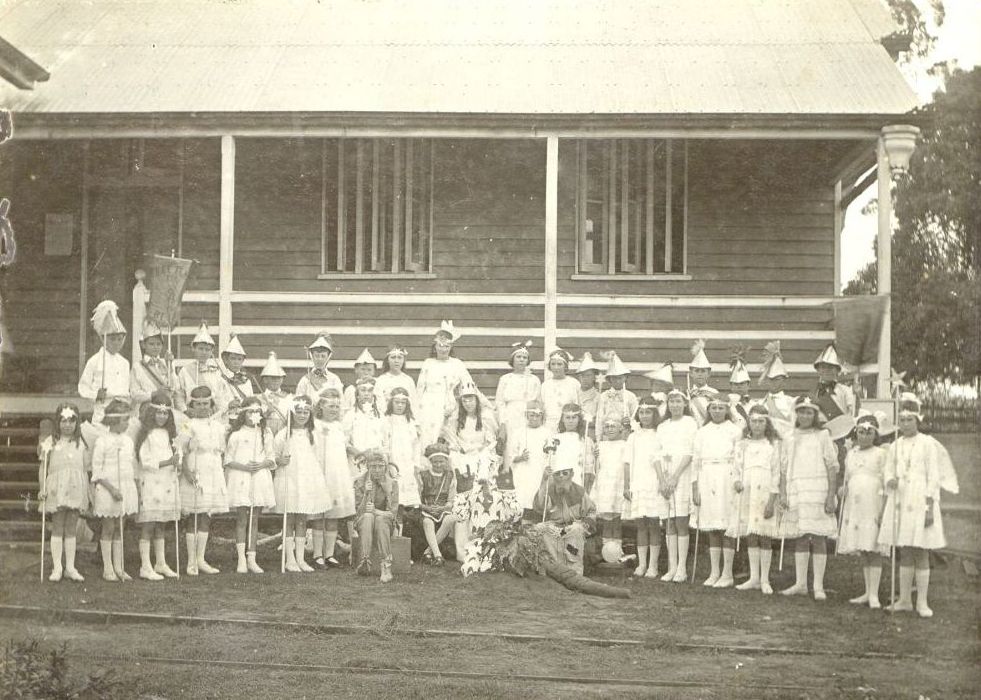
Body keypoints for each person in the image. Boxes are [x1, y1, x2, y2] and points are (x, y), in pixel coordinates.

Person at [877, 393, 958, 618]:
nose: (905, 424)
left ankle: (921, 601)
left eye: (909, 420)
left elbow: (933, 476)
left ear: (917, 421)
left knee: (921, 550)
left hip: (920, 498)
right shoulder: (894, 445)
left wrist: (930, 507)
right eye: (901, 420)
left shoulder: (928, 444)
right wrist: (889, 480)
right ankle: (904, 599)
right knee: (904, 550)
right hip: (901, 499)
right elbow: (888, 470)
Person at [781, 396, 839, 600]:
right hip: (797, 488)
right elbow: (783, 466)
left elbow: (832, 466)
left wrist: (831, 495)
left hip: (818, 489)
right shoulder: (789, 436)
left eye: (809, 412)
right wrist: (783, 492)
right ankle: (800, 583)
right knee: (801, 535)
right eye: (801, 411)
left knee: (819, 536)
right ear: (796, 413)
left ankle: (818, 585)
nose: (805, 416)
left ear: (815, 415)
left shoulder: (823, 435)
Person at [728, 404, 783, 594]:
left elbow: (777, 473)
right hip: (748, 492)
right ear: (749, 423)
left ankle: (765, 579)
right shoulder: (743, 444)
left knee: (764, 535)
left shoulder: (773, 444)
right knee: (751, 534)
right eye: (754, 421)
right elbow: (736, 467)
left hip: (765, 492)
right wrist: (736, 481)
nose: (757, 425)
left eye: (761, 421)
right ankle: (754, 577)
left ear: (767, 423)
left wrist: (772, 501)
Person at [273, 395, 331, 573]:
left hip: (307, 479)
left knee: (302, 519)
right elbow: (274, 456)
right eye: (298, 412)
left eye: (306, 412)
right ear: (292, 413)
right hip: (289, 478)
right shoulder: (283, 434)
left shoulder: (313, 434)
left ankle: (300, 558)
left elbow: (318, 456)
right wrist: (279, 460)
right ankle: (289, 559)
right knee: (289, 518)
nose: (302, 415)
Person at [442, 381, 499, 555]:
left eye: (471, 399)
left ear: (477, 400)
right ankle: (460, 548)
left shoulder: (486, 419)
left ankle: (480, 545)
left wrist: (481, 452)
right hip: (462, 460)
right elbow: (451, 440)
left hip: (481, 459)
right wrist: (461, 451)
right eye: (464, 400)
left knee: (480, 502)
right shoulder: (456, 420)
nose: (468, 403)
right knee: (462, 503)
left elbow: (491, 442)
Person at [838, 413, 888, 609]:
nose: (864, 436)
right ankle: (867, 592)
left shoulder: (881, 453)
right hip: (856, 505)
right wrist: (845, 488)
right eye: (861, 432)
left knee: (873, 548)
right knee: (864, 549)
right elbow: (850, 477)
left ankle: (874, 594)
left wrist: (884, 508)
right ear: (856, 433)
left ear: (875, 435)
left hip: (873, 503)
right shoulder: (852, 454)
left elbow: (885, 482)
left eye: (869, 433)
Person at [691, 394, 742, 587]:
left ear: (727, 410)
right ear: (709, 410)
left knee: (726, 527)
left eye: (721, 408)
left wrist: (737, 480)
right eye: (714, 408)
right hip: (707, 477)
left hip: (726, 477)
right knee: (712, 527)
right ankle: (714, 572)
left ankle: (727, 573)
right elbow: (696, 460)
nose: (717, 411)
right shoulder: (702, 432)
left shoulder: (735, 431)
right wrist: (695, 487)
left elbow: (739, 459)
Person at [177, 385, 228, 575]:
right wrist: (186, 471)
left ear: (211, 404)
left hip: (213, 470)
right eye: (197, 404)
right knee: (194, 515)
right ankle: (191, 561)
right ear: (191, 405)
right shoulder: (187, 425)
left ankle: (201, 559)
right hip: (195, 468)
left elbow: (221, 450)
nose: (202, 408)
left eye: (205, 403)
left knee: (206, 514)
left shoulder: (218, 426)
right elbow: (179, 451)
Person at [38, 404, 90, 582]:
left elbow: (84, 469)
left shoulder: (81, 443)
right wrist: (42, 488)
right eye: (63, 421)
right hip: (56, 488)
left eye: (71, 421)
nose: (67, 425)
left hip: (75, 488)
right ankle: (57, 567)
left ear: (77, 423)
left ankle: (70, 567)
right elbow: (43, 467)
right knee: (58, 525)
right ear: (57, 422)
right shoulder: (51, 442)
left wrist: (86, 491)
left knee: (71, 527)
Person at [224, 395, 276, 574]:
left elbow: (271, 457)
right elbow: (228, 460)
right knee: (242, 519)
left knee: (254, 518)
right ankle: (240, 560)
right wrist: (245, 467)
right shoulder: (236, 434)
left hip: (259, 477)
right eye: (250, 412)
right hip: (241, 477)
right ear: (243, 414)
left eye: (257, 412)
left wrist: (260, 465)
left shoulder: (265, 433)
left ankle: (251, 558)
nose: (254, 415)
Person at [134, 391, 182, 580]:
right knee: (149, 524)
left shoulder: (170, 435)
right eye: (158, 413)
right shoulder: (147, 434)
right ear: (151, 413)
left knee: (161, 523)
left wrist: (177, 461)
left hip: (167, 482)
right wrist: (168, 462)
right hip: (152, 482)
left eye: (165, 414)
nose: (161, 417)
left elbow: (176, 455)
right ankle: (145, 566)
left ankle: (160, 563)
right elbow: (145, 461)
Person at [90, 399, 139, 581]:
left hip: (125, 486)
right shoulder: (102, 441)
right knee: (109, 528)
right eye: (125, 420)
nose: (128, 424)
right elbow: (97, 471)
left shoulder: (127, 441)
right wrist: (112, 489)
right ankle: (108, 568)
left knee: (120, 527)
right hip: (108, 488)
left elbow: (131, 465)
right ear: (114, 421)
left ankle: (119, 567)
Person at [655, 388, 698, 583]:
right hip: (664, 475)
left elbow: (690, 453)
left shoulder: (690, 423)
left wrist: (675, 477)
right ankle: (671, 567)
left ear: (685, 404)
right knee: (668, 522)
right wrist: (663, 479)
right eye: (671, 401)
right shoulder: (663, 426)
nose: (675, 405)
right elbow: (656, 453)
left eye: (678, 401)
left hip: (682, 474)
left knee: (681, 520)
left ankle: (682, 568)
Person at [312, 387, 357, 568]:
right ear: (321, 406)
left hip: (337, 474)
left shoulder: (339, 426)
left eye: (337, 406)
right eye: (330, 405)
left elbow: (345, 447)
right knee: (319, 515)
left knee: (333, 515)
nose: (334, 409)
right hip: (320, 472)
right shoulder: (314, 425)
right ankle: (317, 555)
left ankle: (329, 554)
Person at [531, 461, 597, 576]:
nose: (561, 476)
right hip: (555, 528)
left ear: (571, 474)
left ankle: (574, 572)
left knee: (575, 532)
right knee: (540, 529)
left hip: (573, 528)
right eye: (557, 474)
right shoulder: (549, 489)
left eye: (564, 473)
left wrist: (582, 525)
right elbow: (540, 507)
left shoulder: (579, 492)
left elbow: (591, 512)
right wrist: (543, 481)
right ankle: (551, 571)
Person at [621, 396, 663, 578]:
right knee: (641, 525)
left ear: (655, 414)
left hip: (654, 482)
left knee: (654, 524)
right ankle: (642, 564)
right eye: (642, 412)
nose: (645, 416)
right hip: (638, 481)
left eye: (649, 413)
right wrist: (627, 485)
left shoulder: (660, 433)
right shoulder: (633, 436)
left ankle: (653, 566)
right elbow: (627, 462)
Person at [417, 321, 475, 446]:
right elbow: (420, 388)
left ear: (451, 347)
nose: (443, 349)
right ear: (435, 346)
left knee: (448, 436)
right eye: (440, 346)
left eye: (447, 346)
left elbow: (469, 385)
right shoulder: (428, 363)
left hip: (450, 403)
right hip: (429, 404)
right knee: (428, 436)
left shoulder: (457, 364)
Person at [495, 340, 541, 474]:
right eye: (518, 357)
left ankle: (528, 469)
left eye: (524, 357)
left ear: (528, 360)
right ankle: (508, 469)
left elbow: (538, 401)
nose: (521, 360)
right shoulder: (505, 379)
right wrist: (502, 422)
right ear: (513, 359)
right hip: (511, 414)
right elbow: (500, 402)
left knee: (527, 439)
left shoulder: (534, 379)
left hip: (528, 414)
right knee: (511, 441)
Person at [407, 443, 458, 565]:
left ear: (446, 461)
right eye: (435, 462)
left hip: (443, 508)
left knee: (451, 518)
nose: (438, 464)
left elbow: (451, 500)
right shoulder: (423, 475)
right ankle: (437, 555)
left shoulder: (450, 476)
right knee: (427, 522)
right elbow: (416, 499)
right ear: (430, 462)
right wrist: (427, 508)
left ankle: (427, 552)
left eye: (441, 461)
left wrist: (443, 508)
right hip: (426, 509)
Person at [353, 449, 399, 583]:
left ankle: (386, 566)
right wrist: (366, 494)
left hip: (384, 522)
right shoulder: (360, 482)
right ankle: (365, 560)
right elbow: (358, 513)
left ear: (386, 466)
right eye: (373, 466)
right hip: (364, 522)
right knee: (368, 517)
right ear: (368, 466)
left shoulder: (392, 483)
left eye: (381, 466)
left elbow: (392, 514)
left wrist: (376, 512)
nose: (377, 470)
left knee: (379, 519)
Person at [78, 317, 129, 424]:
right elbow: (83, 387)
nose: (116, 343)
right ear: (103, 339)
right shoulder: (94, 361)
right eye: (112, 339)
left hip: (121, 411)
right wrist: (96, 395)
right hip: (102, 409)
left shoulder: (125, 363)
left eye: (120, 339)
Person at [381, 387, 423, 510]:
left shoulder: (411, 422)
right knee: (393, 499)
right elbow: (384, 443)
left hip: (407, 464)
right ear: (391, 403)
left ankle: (402, 527)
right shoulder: (386, 421)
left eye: (403, 403)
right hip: (393, 462)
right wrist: (388, 463)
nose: (400, 405)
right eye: (396, 402)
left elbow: (416, 445)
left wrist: (416, 465)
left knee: (406, 502)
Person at [130, 320, 183, 415]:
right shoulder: (137, 367)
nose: (155, 347)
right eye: (151, 344)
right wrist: (154, 393)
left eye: (158, 344)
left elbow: (175, 388)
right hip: (147, 411)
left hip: (166, 410)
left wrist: (170, 366)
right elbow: (134, 394)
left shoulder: (166, 363)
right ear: (143, 345)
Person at [591, 417, 626, 561]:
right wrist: (595, 458)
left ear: (620, 429)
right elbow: (597, 468)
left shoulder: (624, 444)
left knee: (616, 519)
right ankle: (607, 552)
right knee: (607, 520)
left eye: (613, 426)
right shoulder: (601, 445)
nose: (610, 429)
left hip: (618, 482)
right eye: (607, 426)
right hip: (605, 483)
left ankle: (617, 551)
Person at [508, 400, 551, 512]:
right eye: (532, 415)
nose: (535, 418)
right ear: (526, 415)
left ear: (542, 416)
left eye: (538, 415)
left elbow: (551, 455)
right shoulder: (518, 433)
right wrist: (520, 457)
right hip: (522, 471)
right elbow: (510, 455)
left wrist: (547, 467)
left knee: (537, 497)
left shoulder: (547, 433)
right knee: (522, 498)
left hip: (539, 470)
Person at [178, 323, 228, 414]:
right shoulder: (185, 371)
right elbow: (179, 395)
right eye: (200, 349)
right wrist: (185, 411)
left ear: (212, 351)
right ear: (193, 348)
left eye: (207, 349)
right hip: (191, 414)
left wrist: (219, 411)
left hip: (213, 414)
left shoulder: (216, 370)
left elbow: (222, 394)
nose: (204, 352)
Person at [344, 375, 385, 478]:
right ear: (357, 395)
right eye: (363, 390)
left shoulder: (380, 416)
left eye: (370, 390)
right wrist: (360, 454)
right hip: (356, 461)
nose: (366, 393)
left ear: (374, 395)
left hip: (376, 462)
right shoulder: (350, 415)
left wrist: (376, 455)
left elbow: (386, 441)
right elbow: (344, 441)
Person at [553, 403, 596, 491]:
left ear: (579, 420)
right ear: (562, 419)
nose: (571, 421)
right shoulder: (556, 438)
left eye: (574, 417)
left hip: (577, 477)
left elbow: (588, 466)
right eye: (568, 417)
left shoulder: (585, 440)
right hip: (559, 476)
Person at [296, 332, 343, 404]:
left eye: (323, 356)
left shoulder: (334, 379)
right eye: (317, 356)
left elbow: (340, 403)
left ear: (328, 357)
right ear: (312, 356)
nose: (320, 359)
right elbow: (298, 403)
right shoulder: (305, 380)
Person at [595, 351, 637, 434]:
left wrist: (630, 422)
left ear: (625, 378)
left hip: (624, 433)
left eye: (620, 378)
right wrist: (598, 436)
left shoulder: (630, 396)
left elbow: (635, 417)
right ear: (610, 379)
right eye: (614, 378)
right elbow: (599, 419)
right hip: (608, 432)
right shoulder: (604, 396)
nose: (617, 381)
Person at [759, 341, 795, 438]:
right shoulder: (760, 403)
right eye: (770, 379)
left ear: (785, 381)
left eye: (777, 379)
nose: (773, 382)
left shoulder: (792, 402)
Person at [540, 347, 581, 432]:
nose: (556, 367)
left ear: (565, 366)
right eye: (553, 364)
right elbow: (543, 407)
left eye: (559, 364)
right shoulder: (545, 385)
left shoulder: (574, 383)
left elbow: (578, 405)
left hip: (568, 424)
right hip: (549, 425)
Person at [258, 351, 292, 436]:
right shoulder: (259, 398)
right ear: (265, 379)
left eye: (279, 378)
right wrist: (267, 413)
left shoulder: (288, 398)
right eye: (273, 378)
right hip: (264, 429)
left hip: (282, 430)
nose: (276, 381)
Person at [219, 334, 259, 407]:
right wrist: (228, 405)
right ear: (226, 360)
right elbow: (217, 401)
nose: (236, 362)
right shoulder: (221, 379)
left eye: (239, 359)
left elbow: (251, 403)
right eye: (233, 358)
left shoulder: (246, 381)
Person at [374, 345, 417, 410]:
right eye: (393, 357)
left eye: (400, 358)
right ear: (387, 360)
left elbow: (413, 402)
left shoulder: (408, 380)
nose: (396, 361)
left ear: (403, 360)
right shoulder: (381, 380)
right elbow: (379, 402)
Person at [686, 339, 716, 426]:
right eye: (697, 371)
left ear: (709, 373)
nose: (700, 374)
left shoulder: (714, 393)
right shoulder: (687, 393)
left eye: (703, 371)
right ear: (691, 373)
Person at [344, 349, 379, 413]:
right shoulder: (350, 389)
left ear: (374, 371)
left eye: (369, 370)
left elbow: (383, 407)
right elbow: (345, 409)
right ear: (356, 370)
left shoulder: (378, 388)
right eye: (363, 369)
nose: (366, 373)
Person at [575, 352, 603, 428]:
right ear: (579, 377)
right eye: (582, 376)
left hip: (591, 430)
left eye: (588, 375)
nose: (585, 379)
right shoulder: (574, 394)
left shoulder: (599, 397)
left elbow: (599, 420)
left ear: (594, 377)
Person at [727, 352, 753, 429]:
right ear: (731, 386)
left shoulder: (755, 405)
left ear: (748, 385)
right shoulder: (726, 405)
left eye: (742, 384)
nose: (739, 387)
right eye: (735, 384)